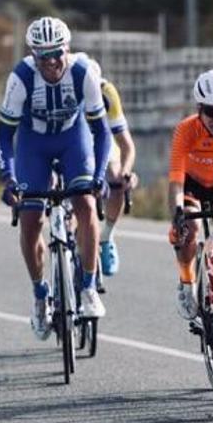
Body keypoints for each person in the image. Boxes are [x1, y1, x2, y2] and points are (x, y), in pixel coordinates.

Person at [0, 16, 112, 340]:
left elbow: (102, 132)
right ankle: (40, 293)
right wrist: (9, 178)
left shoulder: (83, 72)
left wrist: (100, 176)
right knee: (30, 219)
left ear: (67, 49)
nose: (52, 61)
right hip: (35, 145)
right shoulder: (20, 78)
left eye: (57, 53)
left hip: (74, 139)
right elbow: (4, 137)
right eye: (43, 55)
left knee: (86, 204)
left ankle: (88, 288)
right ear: (33, 55)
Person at [167, 69, 213, 320]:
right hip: (192, 185)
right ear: (199, 110)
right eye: (211, 112)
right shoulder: (186, 130)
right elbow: (175, 180)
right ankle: (187, 282)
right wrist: (177, 215)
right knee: (191, 227)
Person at [77, 55, 137, 276]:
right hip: (72, 142)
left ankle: (106, 236)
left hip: (101, 141)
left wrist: (126, 171)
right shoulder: (65, 91)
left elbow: (126, 145)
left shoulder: (107, 94)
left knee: (115, 175)